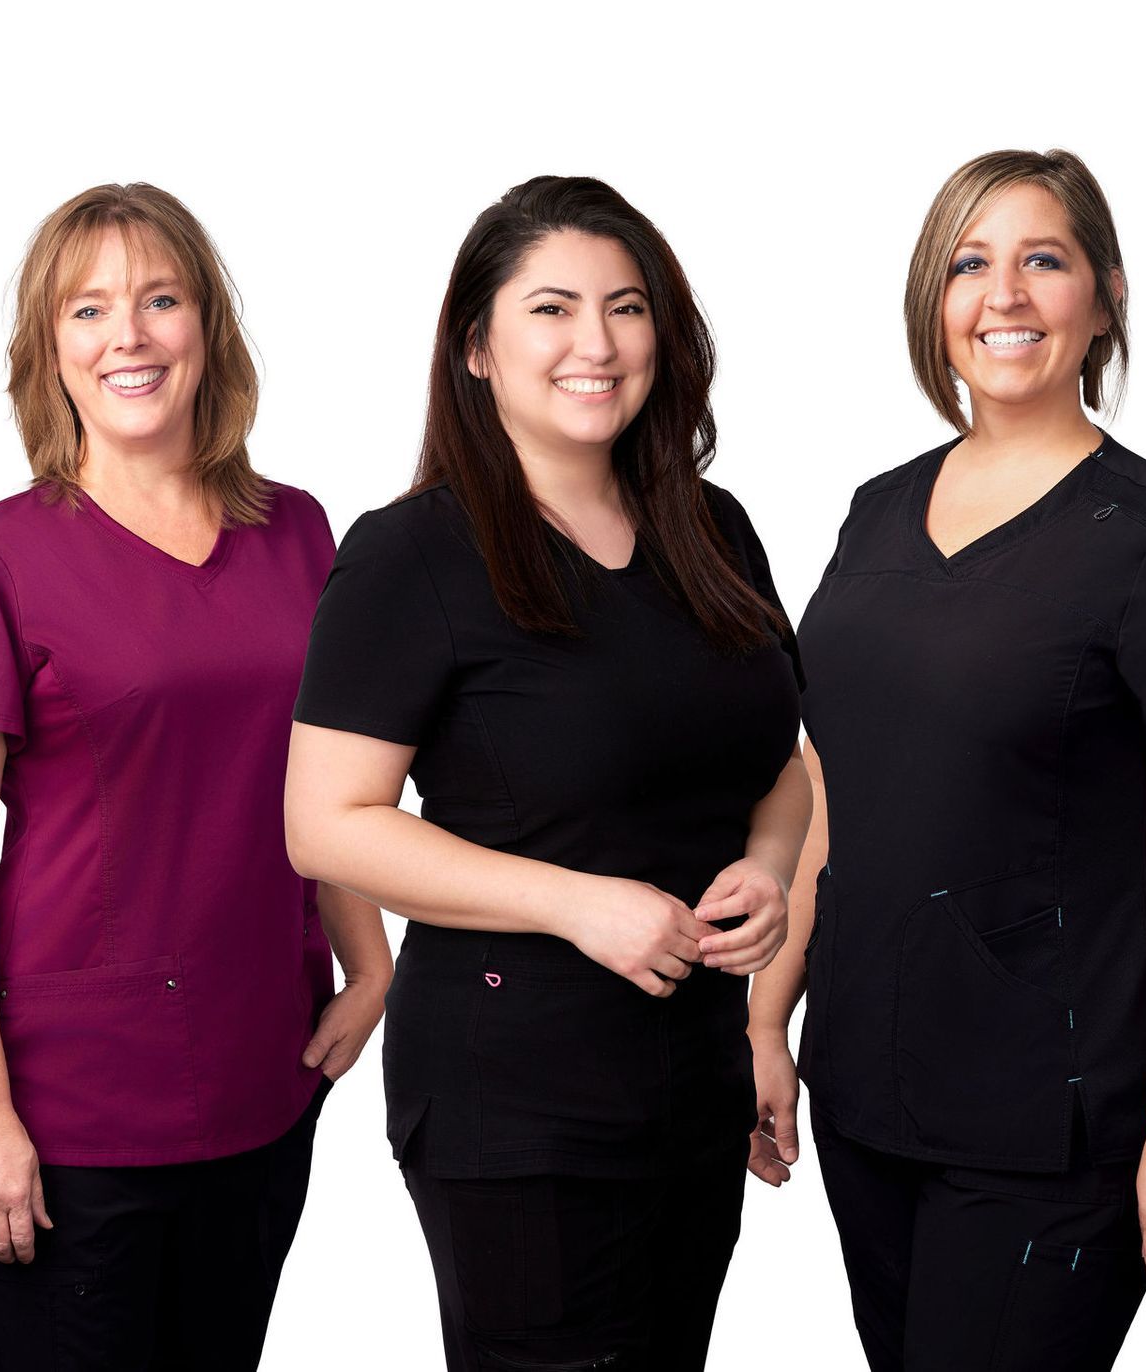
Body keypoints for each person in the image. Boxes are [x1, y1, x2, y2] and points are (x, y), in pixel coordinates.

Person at [746, 149, 1146, 1371]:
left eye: (1045, 259)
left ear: (1106, 294)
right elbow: (834, 779)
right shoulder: (878, 508)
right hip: (870, 1095)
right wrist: (767, 1014)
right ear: (936, 302)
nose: (1006, 295)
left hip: (1051, 1117)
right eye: (970, 265)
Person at [284, 175, 808, 1371]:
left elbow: (778, 760)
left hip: (692, 1069)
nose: (596, 343)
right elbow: (327, 824)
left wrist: (768, 872)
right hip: (513, 1094)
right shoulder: (412, 552)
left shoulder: (711, 530)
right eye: (552, 309)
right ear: (476, 345)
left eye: (627, 309)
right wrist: (575, 903)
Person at [0, 183, 390, 1371]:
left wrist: (370, 962)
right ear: (49, 350)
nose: (128, 335)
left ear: (205, 328)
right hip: (69, 1116)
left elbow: (326, 783)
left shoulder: (300, 532)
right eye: (88, 310)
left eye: (160, 299)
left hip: (263, 1076)